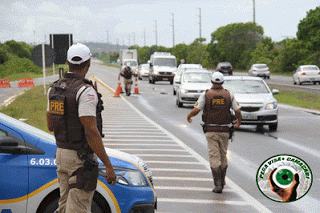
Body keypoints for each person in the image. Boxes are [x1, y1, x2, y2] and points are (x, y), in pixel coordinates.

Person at [46, 43, 116, 213]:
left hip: (62, 155)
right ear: (89, 62)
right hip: (80, 159)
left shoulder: (54, 89)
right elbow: (91, 132)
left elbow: (50, 126)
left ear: (68, 62)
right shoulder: (85, 92)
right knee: (78, 208)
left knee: (63, 206)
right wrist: (108, 165)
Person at [187, 72, 242, 193]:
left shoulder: (206, 94)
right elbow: (237, 111)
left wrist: (189, 116)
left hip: (211, 130)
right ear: (222, 82)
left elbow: (197, 109)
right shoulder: (229, 94)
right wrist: (239, 122)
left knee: (214, 156)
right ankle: (222, 181)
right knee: (223, 155)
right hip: (225, 131)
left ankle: (218, 185)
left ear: (212, 81)